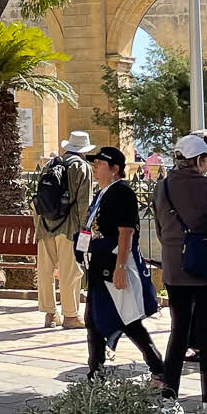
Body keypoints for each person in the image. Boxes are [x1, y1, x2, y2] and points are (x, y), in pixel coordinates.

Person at [152, 132, 207, 414]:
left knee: (178, 334)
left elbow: (160, 229)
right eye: (206, 158)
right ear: (197, 159)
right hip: (206, 269)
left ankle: (168, 400)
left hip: (175, 269)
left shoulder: (162, 187)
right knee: (206, 337)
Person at [78, 144, 164, 381]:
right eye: (93, 164)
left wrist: (121, 267)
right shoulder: (102, 193)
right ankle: (95, 371)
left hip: (113, 262)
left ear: (115, 169)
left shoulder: (122, 193)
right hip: (98, 263)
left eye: (99, 164)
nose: (94, 169)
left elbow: (126, 232)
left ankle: (158, 367)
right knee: (93, 319)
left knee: (128, 320)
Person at [34, 130, 93, 331]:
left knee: (45, 270)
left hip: (45, 225)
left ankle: (50, 314)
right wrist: (86, 228)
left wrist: (39, 226)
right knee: (70, 272)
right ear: (84, 150)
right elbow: (85, 202)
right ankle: (70, 315)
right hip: (69, 228)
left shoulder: (50, 165)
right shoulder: (82, 167)